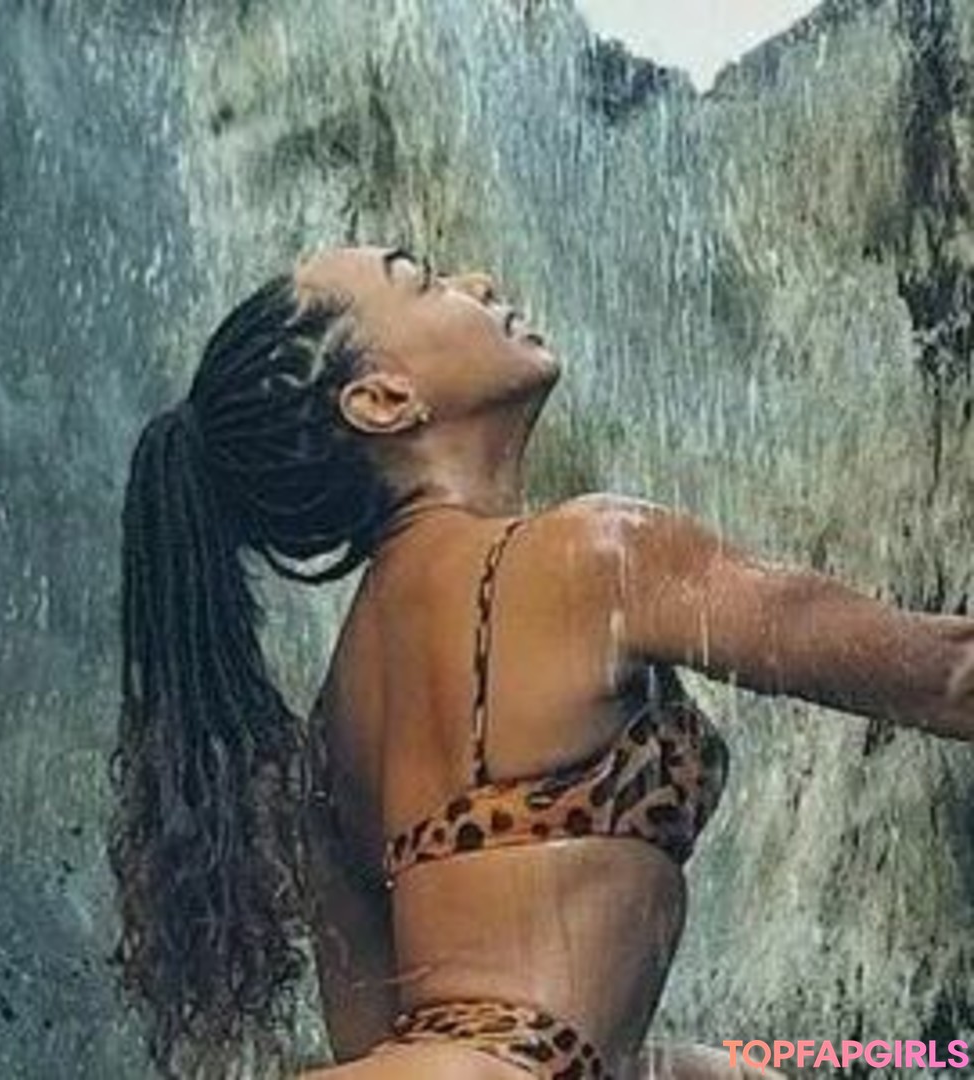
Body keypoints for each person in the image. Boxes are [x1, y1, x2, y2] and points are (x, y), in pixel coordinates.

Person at [109, 245, 974, 1080]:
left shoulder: (335, 727)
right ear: (382, 400)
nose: (479, 280)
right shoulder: (593, 555)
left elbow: (379, 1034)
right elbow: (947, 677)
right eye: (424, 280)